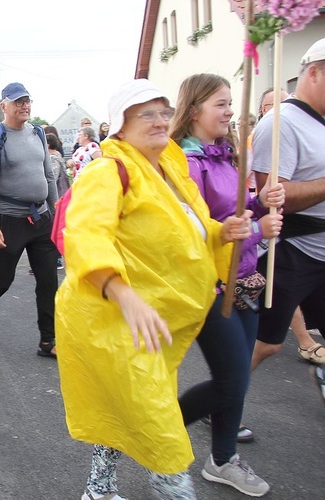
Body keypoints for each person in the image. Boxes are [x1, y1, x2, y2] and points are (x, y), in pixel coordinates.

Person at [56, 79, 252, 499]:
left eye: (164, 111)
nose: (161, 120)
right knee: (164, 436)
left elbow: (187, 233)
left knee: (122, 405)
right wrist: (125, 295)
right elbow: (86, 236)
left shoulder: (170, 170)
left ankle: (98, 490)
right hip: (113, 321)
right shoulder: (107, 171)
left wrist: (223, 233)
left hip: (153, 323)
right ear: (120, 128)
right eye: (146, 113)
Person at [170, 73, 284, 496]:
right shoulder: (184, 162)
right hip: (210, 285)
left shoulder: (227, 155)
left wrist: (261, 202)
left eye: (231, 102)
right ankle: (158, 428)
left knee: (237, 377)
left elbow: (238, 210)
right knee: (232, 378)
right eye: (221, 103)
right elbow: (198, 231)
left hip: (248, 277)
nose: (231, 110)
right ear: (195, 108)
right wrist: (259, 229)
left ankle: (221, 460)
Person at [0, 82, 60, 357]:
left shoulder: (38, 132)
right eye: (18, 102)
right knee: (0, 282)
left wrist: (56, 212)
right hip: (9, 221)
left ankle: (47, 340)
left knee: (48, 281)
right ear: (3, 106)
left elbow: (48, 176)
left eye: (27, 101)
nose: (24, 106)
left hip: (41, 218)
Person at [251, 38, 325, 373]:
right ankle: (219, 400)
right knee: (267, 344)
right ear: (314, 73)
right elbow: (272, 194)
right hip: (293, 251)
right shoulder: (281, 122)